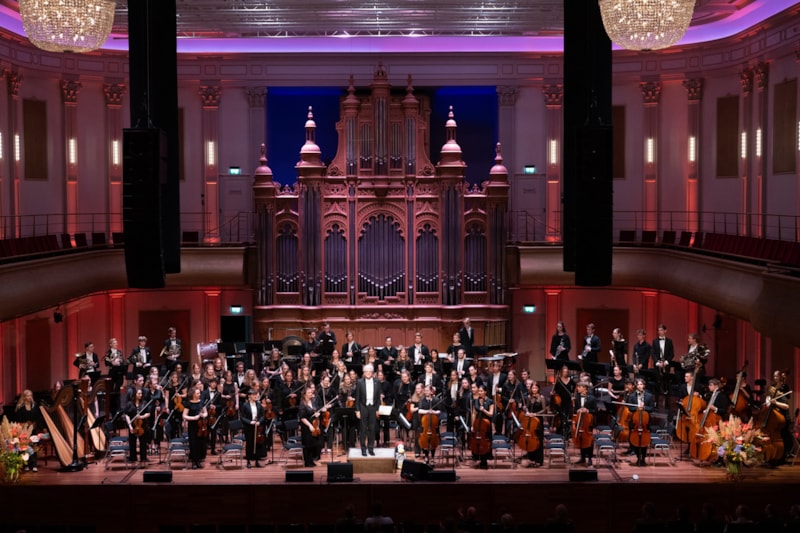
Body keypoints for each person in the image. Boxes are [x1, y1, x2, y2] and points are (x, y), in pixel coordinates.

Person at [626, 377, 655, 467]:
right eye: (638, 384)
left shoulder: (649, 396)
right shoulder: (631, 396)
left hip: (645, 422)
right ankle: (638, 457)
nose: (639, 386)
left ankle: (643, 458)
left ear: (644, 385)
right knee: (635, 441)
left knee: (644, 441)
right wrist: (637, 408)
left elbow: (652, 408)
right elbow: (630, 408)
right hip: (635, 422)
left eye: (641, 384)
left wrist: (644, 408)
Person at [355, 363, 379, 456]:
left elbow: (378, 397)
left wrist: (377, 409)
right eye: (366, 371)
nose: (368, 373)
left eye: (370, 371)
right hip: (363, 407)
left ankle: (370, 448)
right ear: (364, 373)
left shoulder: (377, 381)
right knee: (363, 429)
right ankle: (363, 449)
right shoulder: (360, 382)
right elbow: (357, 397)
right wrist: (357, 410)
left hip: (373, 407)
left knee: (372, 429)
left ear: (372, 373)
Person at [14, 389, 41, 472]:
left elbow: (38, 417)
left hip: (33, 430)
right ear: (24, 397)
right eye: (28, 396)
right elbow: (18, 420)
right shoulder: (20, 408)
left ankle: (34, 465)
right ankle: (26, 464)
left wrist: (34, 423)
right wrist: (25, 424)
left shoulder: (34, 406)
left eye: (31, 395)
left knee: (34, 446)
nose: (30, 397)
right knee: (24, 447)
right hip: (24, 431)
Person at [125, 387, 152, 466]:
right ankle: (133, 460)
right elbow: (127, 415)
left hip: (142, 425)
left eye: (141, 393)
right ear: (135, 394)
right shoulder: (130, 404)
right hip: (132, 426)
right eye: (139, 393)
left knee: (143, 443)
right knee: (132, 443)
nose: (141, 395)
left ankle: (143, 460)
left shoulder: (144, 403)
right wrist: (130, 426)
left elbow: (148, 413)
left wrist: (141, 417)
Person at [182, 386, 208, 469]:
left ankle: (199, 460)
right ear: (193, 394)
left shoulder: (201, 402)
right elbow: (184, 416)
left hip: (201, 425)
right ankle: (194, 461)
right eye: (197, 393)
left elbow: (206, 413)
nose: (199, 394)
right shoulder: (188, 404)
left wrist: (203, 415)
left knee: (201, 443)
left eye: (199, 393)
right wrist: (193, 418)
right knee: (194, 443)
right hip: (193, 426)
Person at [572, 381, 597, 466]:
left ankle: (589, 459)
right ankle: (582, 458)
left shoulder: (592, 398)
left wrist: (587, 410)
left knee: (589, 440)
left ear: (585, 388)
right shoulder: (577, 398)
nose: (578, 389)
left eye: (579, 387)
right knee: (581, 438)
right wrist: (578, 410)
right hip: (580, 421)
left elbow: (595, 411)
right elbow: (575, 409)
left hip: (588, 422)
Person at [523, 381, 546, 467]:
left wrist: (536, 414)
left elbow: (544, 409)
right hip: (531, 420)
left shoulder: (541, 397)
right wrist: (527, 411)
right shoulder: (529, 397)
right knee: (530, 439)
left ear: (538, 389)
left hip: (538, 420)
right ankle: (531, 459)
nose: (534, 390)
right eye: (533, 388)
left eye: (536, 388)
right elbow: (527, 408)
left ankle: (539, 460)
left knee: (538, 440)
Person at [239, 389, 265, 468]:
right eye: (254, 395)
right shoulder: (245, 405)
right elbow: (242, 417)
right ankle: (248, 461)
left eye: (256, 395)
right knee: (249, 444)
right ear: (249, 396)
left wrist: (259, 422)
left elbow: (262, 416)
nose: (255, 396)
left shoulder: (259, 405)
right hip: (249, 427)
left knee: (257, 444)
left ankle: (257, 460)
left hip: (258, 427)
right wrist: (250, 422)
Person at [417, 384, 441, 463]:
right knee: (424, 440)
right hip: (425, 424)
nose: (426, 392)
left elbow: (439, 411)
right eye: (425, 391)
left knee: (433, 440)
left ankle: (433, 457)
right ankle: (426, 456)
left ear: (431, 391)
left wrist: (434, 412)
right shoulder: (422, 400)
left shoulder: (435, 400)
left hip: (433, 424)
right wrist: (427, 411)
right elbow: (419, 410)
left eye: (427, 391)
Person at [298, 385, 321, 467]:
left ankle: (311, 460)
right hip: (306, 426)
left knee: (313, 443)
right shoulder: (302, 404)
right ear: (304, 394)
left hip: (314, 424)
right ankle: (307, 462)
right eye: (309, 392)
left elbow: (316, 411)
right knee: (307, 444)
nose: (311, 394)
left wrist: (317, 414)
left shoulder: (313, 401)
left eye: (311, 392)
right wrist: (310, 426)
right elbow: (302, 418)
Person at [473, 384, 494, 469]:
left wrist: (484, 410)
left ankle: (484, 460)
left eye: (481, 391)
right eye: (479, 391)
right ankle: (477, 456)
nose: (480, 392)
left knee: (485, 442)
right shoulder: (476, 401)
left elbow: (491, 414)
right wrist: (472, 425)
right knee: (477, 440)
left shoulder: (490, 401)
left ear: (485, 392)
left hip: (486, 424)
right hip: (477, 424)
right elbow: (474, 413)